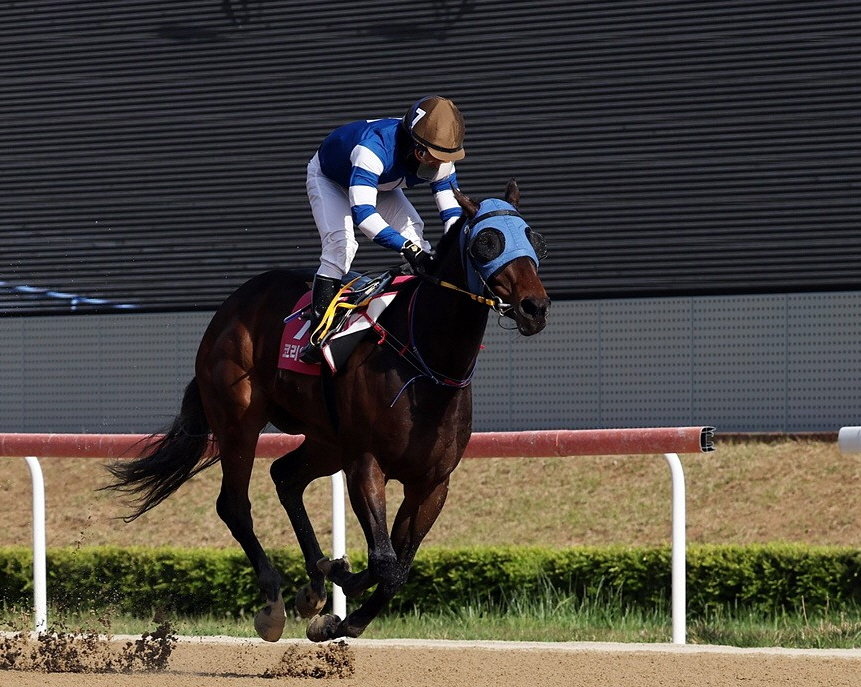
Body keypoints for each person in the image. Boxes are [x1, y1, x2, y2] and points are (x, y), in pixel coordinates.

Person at [299, 95, 467, 363]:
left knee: (416, 235)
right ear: (417, 148)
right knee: (342, 245)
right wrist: (407, 249)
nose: (440, 164)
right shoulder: (372, 149)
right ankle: (318, 334)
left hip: (379, 183)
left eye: (445, 158)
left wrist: (451, 248)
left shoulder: (440, 153)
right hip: (330, 178)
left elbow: (452, 214)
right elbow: (364, 215)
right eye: (434, 158)